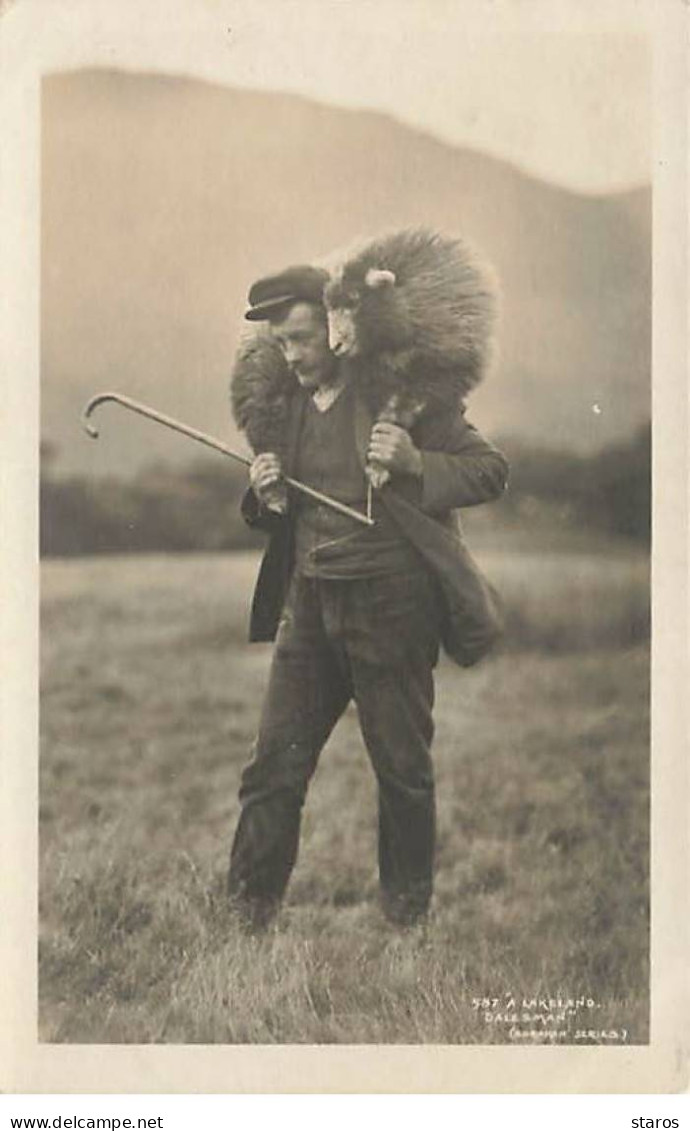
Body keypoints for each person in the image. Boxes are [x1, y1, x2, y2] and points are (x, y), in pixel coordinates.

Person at [227, 265, 509, 930]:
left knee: (402, 771)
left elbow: (491, 470)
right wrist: (268, 495)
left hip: (392, 610)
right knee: (272, 768)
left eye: (300, 338)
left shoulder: (399, 398)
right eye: (280, 343)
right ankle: (246, 922)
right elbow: (283, 512)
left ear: (338, 326)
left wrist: (415, 461)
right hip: (309, 609)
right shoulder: (285, 405)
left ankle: (405, 927)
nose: (290, 355)